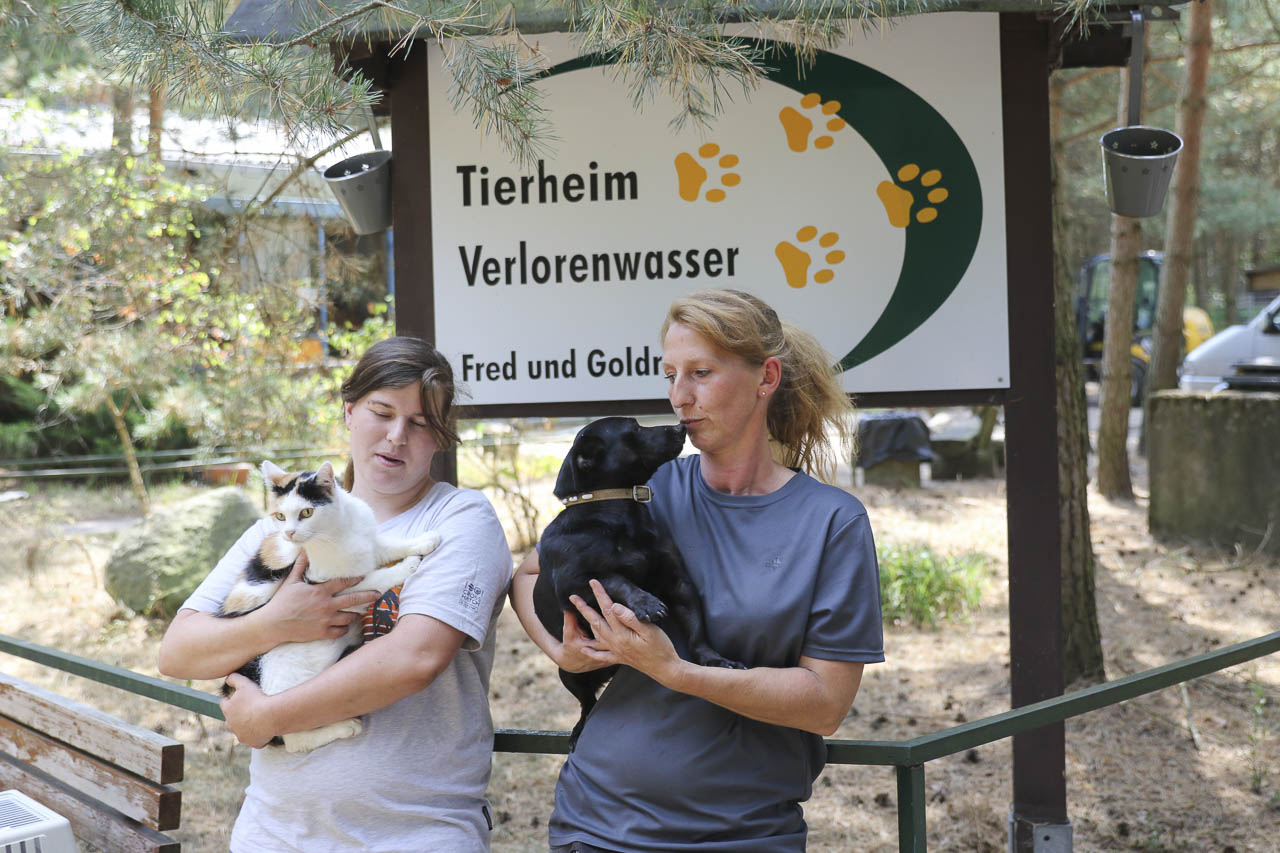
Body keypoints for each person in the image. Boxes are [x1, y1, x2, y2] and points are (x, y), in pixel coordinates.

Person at [511, 288, 885, 853]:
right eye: (670, 375)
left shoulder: (831, 522)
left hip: (745, 834)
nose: (680, 397)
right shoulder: (644, 489)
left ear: (766, 378)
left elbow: (825, 704)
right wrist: (562, 651)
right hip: (598, 825)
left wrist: (677, 671)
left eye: (701, 373)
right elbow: (528, 575)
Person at [158, 336, 511, 853]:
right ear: (349, 411)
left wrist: (269, 718)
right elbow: (178, 652)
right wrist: (277, 622)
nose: (396, 437)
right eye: (382, 413)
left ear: (441, 436)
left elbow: (414, 658)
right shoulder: (282, 527)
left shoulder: (459, 519)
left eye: (419, 423)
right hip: (273, 833)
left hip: (415, 834)